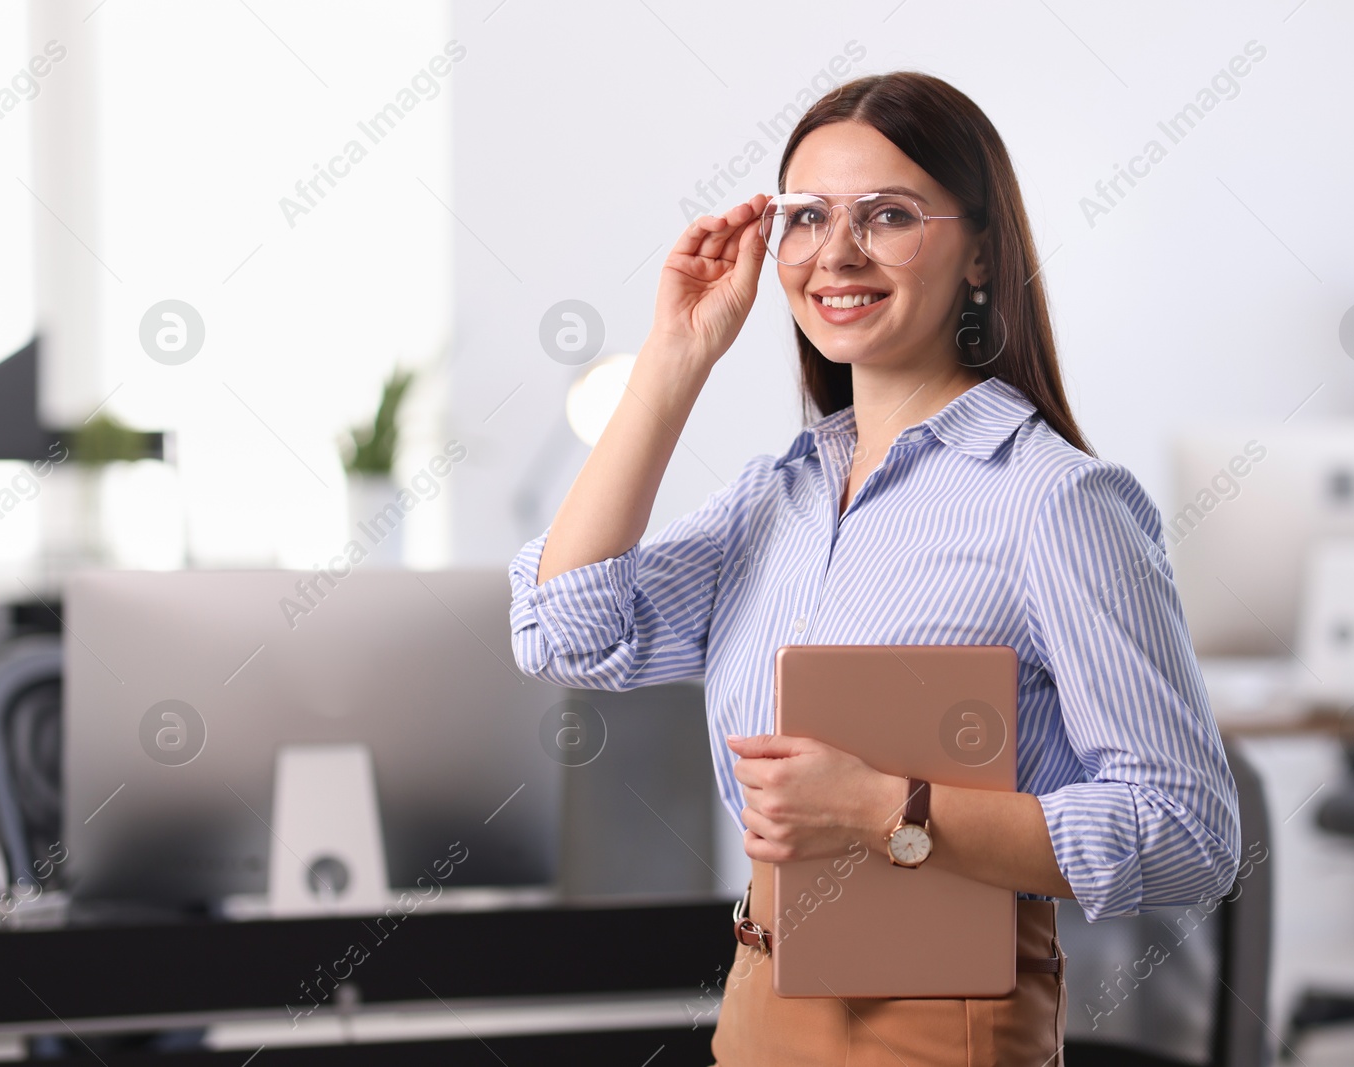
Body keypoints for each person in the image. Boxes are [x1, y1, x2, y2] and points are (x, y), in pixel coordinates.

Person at [509, 71, 1241, 1066]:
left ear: (980, 251)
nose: (835, 251)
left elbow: (1188, 828)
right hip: (759, 1008)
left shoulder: (1053, 501)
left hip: (938, 1027)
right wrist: (676, 357)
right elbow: (566, 629)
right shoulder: (779, 495)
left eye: (888, 215)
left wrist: (881, 807)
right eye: (805, 217)